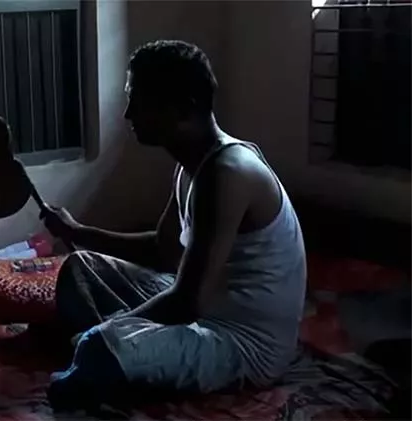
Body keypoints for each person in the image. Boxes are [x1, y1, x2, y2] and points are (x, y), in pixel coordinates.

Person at [41, 40, 306, 409]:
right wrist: (77, 233)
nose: (128, 114)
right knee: (81, 269)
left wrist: (111, 328)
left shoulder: (228, 173)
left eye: (139, 101)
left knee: (98, 346)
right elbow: (164, 250)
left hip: (241, 343)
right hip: (206, 308)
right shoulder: (191, 165)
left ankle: (112, 363)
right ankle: (130, 359)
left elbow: (187, 303)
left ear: (185, 108)